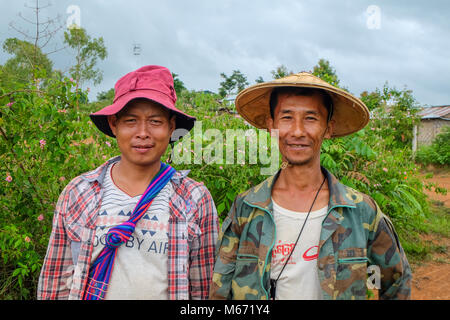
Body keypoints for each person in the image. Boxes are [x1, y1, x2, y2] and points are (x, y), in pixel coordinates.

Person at [209, 72, 412, 300]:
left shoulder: (362, 212)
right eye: (286, 117)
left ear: (328, 128)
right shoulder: (246, 207)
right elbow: (220, 287)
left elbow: (398, 281)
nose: (297, 131)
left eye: (311, 118)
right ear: (271, 125)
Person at [38, 65, 219, 300]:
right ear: (114, 124)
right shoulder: (79, 192)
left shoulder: (194, 197)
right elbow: (55, 281)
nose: (142, 133)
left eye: (155, 122)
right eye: (131, 121)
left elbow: (203, 289)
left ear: (171, 127)